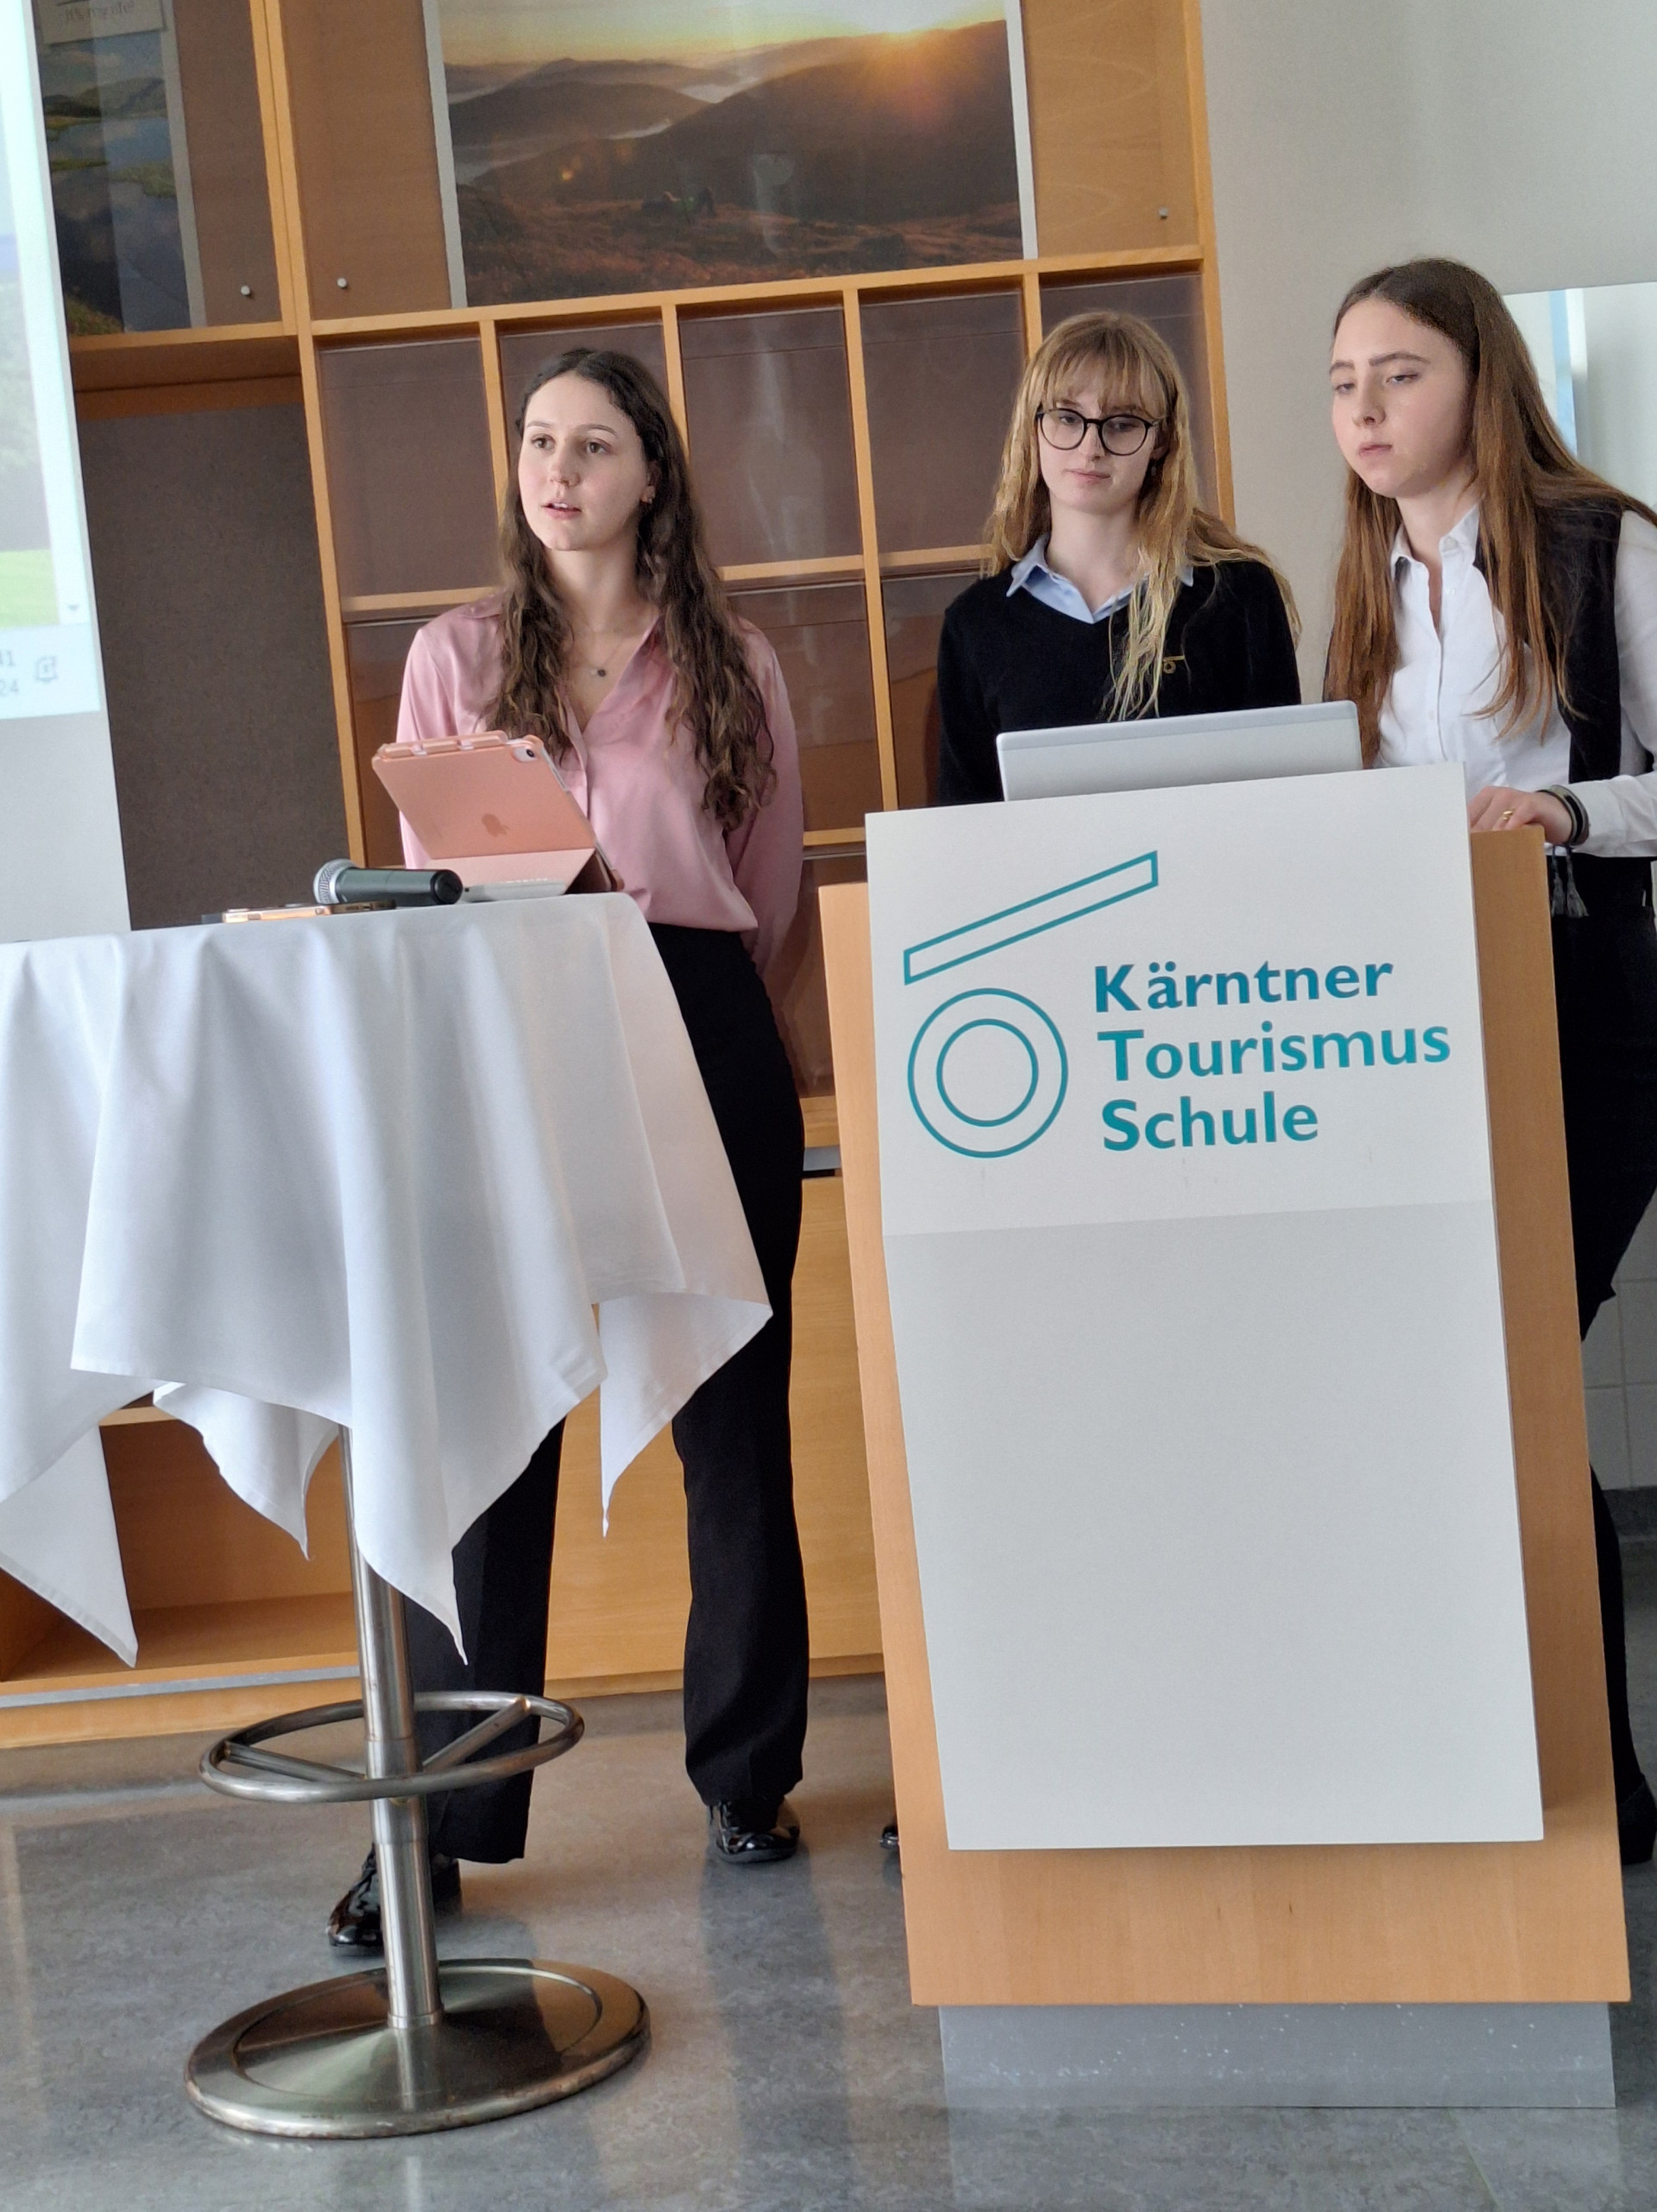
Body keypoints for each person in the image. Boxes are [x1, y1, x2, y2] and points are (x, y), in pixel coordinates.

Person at [327, 348, 810, 1948]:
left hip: (693, 1011)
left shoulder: (736, 660)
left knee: (733, 1416)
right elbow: (430, 879)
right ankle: (442, 1819)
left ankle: (748, 1775)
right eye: (538, 442)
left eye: (592, 445)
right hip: (511, 1016)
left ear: (652, 471)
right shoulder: (454, 656)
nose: (557, 471)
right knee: (490, 1421)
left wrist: (675, 982)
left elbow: (770, 893)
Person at [1326, 256, 1657, 1866]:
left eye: (1399, 373)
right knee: (1477, 1381)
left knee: (1514, 1367)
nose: (1366, 409)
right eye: (1343, 382)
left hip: (1579, 995)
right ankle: (1550, 1770)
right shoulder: (1361, 579)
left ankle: (1590, 1778)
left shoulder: (1604, 545)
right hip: (1413, 1016)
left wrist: (1569, 808)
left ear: (1481, 379)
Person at [934, 309, 1301, 805]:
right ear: (1033, 428)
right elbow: (965, 827)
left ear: (1161, 441)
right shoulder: (975, 626)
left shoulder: (1239, 596)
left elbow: (1287, 804)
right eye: (1067, 418)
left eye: (1122, 424)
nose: (1090, 448)